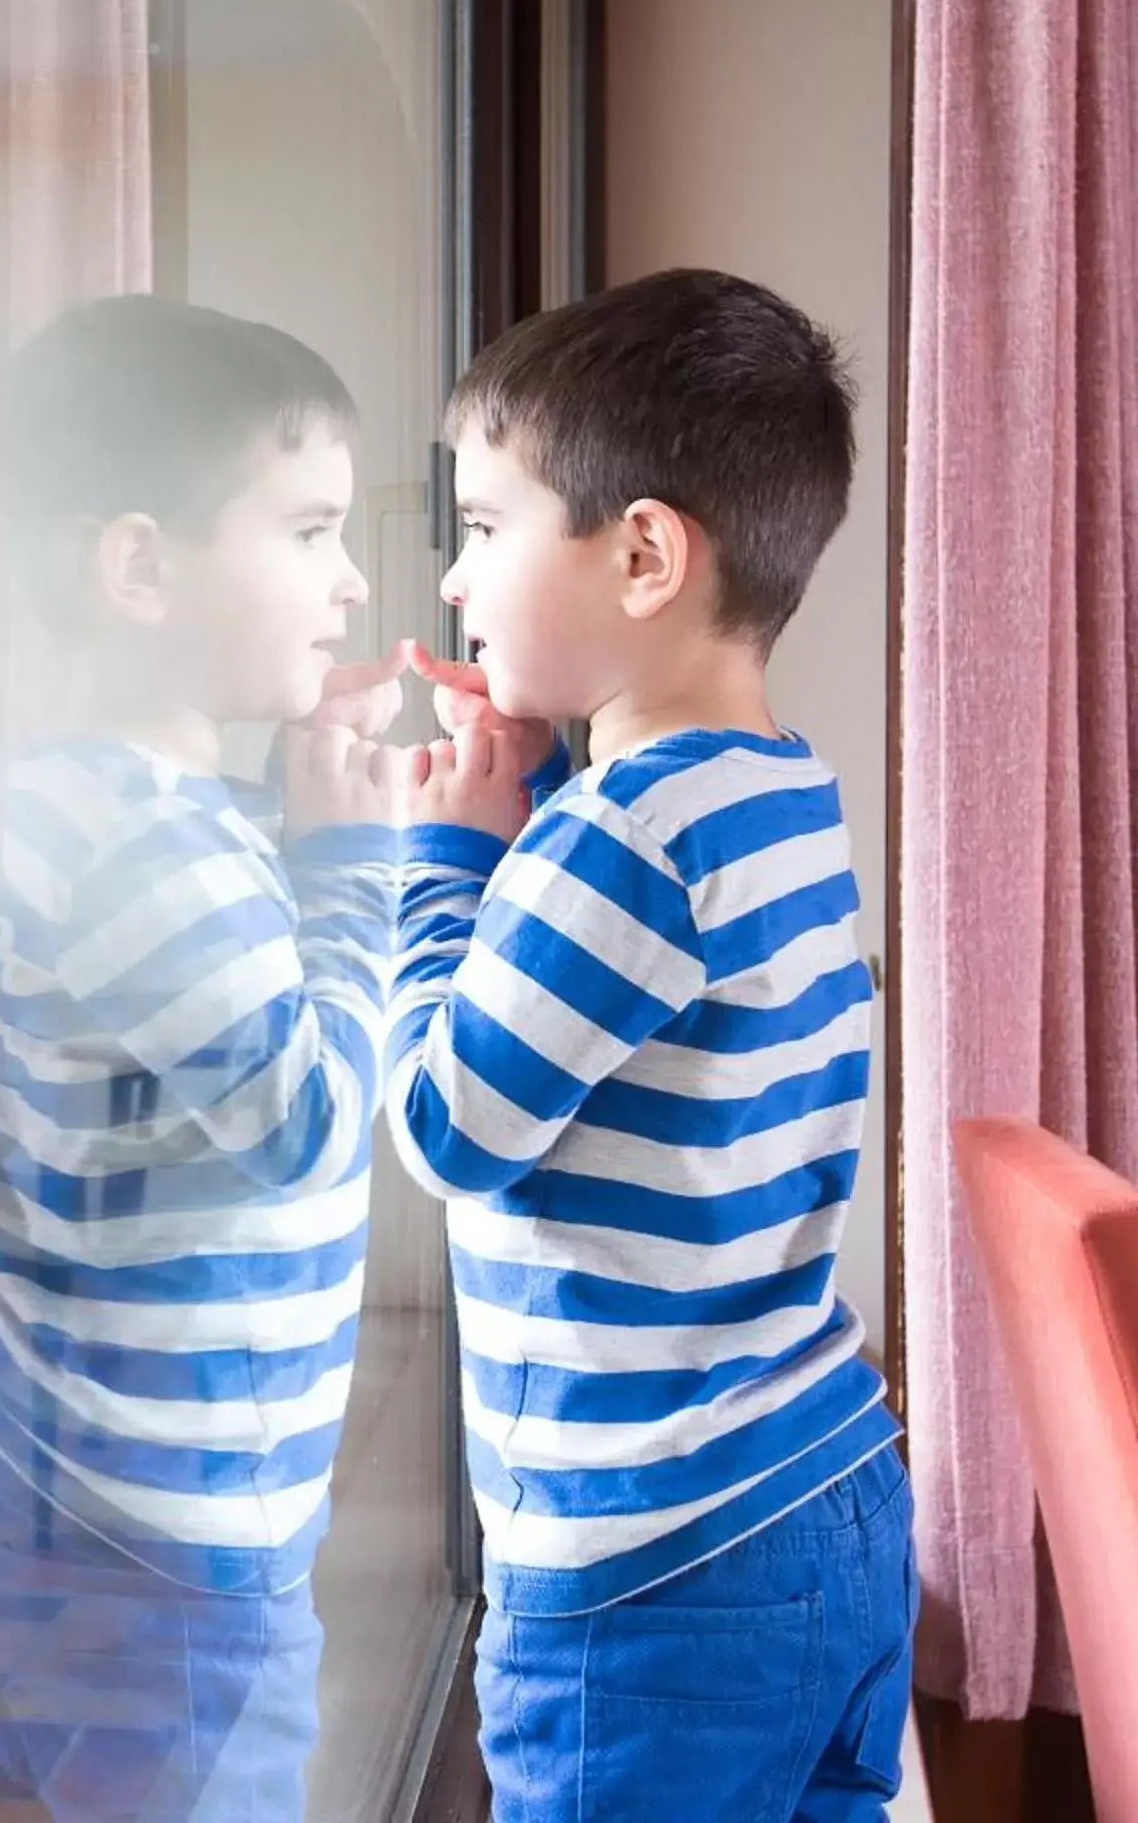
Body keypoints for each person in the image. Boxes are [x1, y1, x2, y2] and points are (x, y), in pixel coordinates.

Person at [385, 269, 914, 1821]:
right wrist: (532, 805)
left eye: (483, 527)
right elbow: (651, 1018)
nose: (460, 583)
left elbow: (448, 1126)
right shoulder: (773, 792)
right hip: (825, 1486)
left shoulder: (618, 842)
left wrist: (442, 867)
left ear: (641, 554)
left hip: (650, 1570)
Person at [0, 295, 403, 1822]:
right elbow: (313, 1121)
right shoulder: (149, 839)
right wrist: (355, 868)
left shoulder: (136, 809)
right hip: (165, 1545)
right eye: (312, 529)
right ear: (139, 566)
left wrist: (292, 815)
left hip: (93, 1496)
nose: (350, 585)